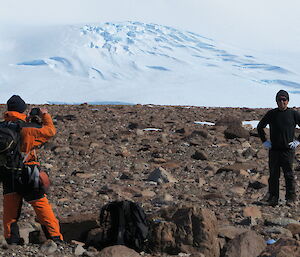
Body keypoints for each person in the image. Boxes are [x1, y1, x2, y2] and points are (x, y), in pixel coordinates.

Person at [1, 95, 63, 244]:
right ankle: (54, 237)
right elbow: (50, 131)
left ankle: (12, 239)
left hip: (7, 171)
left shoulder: (2, 127)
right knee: (41, 204)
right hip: (28, 172)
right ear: (23, 110)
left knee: (10, 208)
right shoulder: (28, 128)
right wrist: (44, 115)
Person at [257, 90, 300, 206]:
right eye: (279, 100)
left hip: (288, 150)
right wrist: (265, 141)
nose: (282, 102)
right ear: (276, 101)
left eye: (284, 100)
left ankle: (290, 198)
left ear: (288, 101)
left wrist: (298, 141)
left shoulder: (293, 114)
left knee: (289, 175)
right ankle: (273, 197)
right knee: (274, 175)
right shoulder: (271, 114)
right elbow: (260, 127)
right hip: (274, 150)